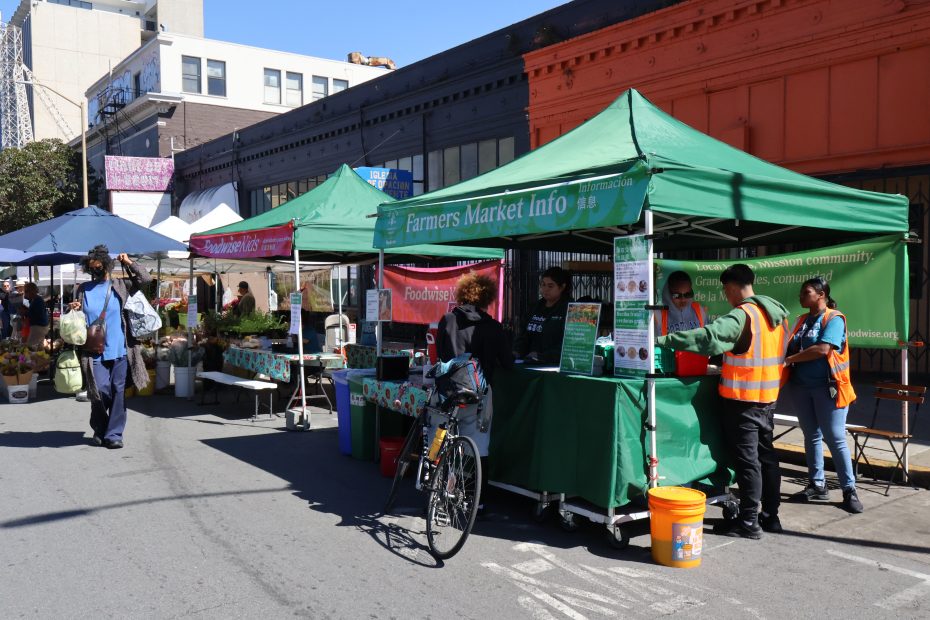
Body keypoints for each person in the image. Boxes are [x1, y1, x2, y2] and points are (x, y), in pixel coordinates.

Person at [656, 264, 789, 539]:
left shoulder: (742, 315)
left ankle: (749, 522)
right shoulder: (777, 316)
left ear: (730, 287)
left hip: (743, 400)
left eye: (726, 291)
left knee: (747, 461)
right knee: (766, 457)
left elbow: (709, 338)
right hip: (768, 398)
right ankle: (769, 516)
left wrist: (664, 340)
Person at [783, 277, 863, 513]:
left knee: (835, 438)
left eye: (805, 292)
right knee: (811, 436)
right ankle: (817, 484)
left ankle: (849, 489)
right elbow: (788, 345)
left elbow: (823, 349)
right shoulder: (801, 320)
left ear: (821, 295)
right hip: (800, 387)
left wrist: (791, 359)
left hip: (828, 388)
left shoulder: (834, 318)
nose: (801, 296)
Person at [436, 272, 513, 512]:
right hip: (478, 396)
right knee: (479, 448)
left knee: (440, 439)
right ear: (487, 298)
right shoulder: (494, 327)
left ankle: (438, 491)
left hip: (447, 393)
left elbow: (440, 354)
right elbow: (508, 363)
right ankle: (476, 501)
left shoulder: (447, 320)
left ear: (461, 294)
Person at [69, 245, 151, 449]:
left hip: (120, 349)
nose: (95, 271)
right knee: (100, 391)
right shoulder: (82, 289)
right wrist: (74, 309)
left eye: (98, 267)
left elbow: (145, 280)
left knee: (118, 391)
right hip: (93, 350)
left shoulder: (120, 285)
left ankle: (114, 434)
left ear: (107, 266)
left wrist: (129, 263)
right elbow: (77, 319)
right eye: (91, 268)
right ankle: (99, 426)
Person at [513, 266, 571, 364]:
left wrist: (543, 357)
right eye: (543, 285)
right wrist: (516, 351)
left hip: (554, 366)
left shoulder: (570, 310)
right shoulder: (534, 307)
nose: (545, 289)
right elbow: (523, 335)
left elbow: (569, 345)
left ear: (562, 287)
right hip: (527, 362)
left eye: (550, 286)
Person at [657, 270, 708, 335]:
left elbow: (706, 339)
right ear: (668, 294)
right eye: (677, 295)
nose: (683, 300)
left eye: (687, 294)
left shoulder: (699, 309)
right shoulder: (659, 314)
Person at [22, 282, 49, 348]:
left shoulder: (38, 300)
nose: (25, 293)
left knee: (30, 347)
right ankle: (42, 357)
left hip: (38, 327)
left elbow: (36, 314)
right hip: (40, 326)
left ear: (31, 291)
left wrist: (25, 312)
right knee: (39, 347)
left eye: (26, 291)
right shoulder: (35, 299)